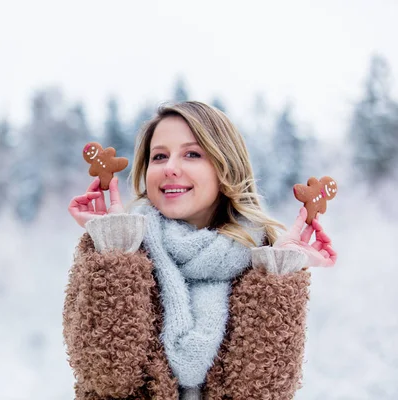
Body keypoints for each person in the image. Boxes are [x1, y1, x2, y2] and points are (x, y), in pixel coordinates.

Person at [63, 101, 337, 400]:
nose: (169, 168)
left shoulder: (261, 262)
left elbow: (262, 390)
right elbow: (107, 376)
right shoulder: (117, 251)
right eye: (159, 156)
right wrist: (115, 246)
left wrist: (281, 268)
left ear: (225, 168)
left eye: (192, 154)